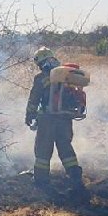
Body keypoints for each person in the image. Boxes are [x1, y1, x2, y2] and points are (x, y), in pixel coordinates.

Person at [25, 47, 85, 191]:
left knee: (43, 150)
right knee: (65, 146)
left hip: (47, 119)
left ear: (41, 63)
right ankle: (74, 174)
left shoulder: (41, 78)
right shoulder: (67, 75)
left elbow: (34, 98)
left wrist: (29, 114)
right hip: (66, 117)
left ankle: (41, 180)